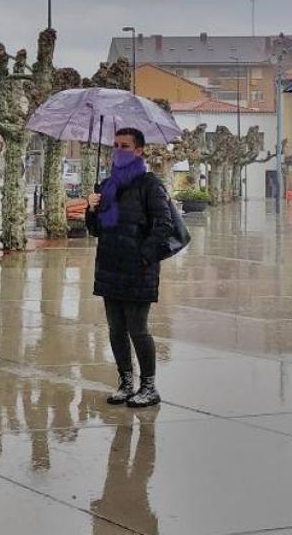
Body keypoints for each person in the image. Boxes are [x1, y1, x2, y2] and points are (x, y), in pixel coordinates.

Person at [85, 127, 173, 408]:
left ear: (139, 150)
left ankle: (149, 386)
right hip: (110, 266)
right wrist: (92, 207)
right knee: (115, 329)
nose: (118, 150)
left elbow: (164, 227)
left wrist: (143, 257)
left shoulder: (150, 185)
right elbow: (97, 230)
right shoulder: (108, 186)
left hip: (138, 269)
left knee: (138, 329)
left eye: (125, 145)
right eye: (115, 145)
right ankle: (125, 382)